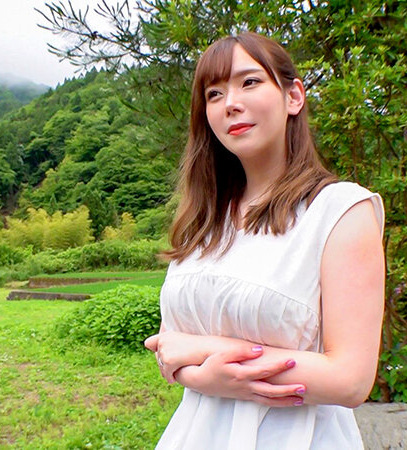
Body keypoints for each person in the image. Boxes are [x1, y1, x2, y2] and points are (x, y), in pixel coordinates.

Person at [143, 32, 385, 449]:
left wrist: (212, 355)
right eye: (214, 94)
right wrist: (204, 375)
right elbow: (168, 347)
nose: (230, 103)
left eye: (249, 82)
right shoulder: (205, 220)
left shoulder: (340, 210)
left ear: (294, 97)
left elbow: (350, 379)